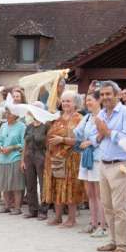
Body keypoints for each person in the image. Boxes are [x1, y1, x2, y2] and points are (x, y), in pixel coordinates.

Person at [94, 81, 126, 252]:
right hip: (104, 164)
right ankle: (113, 241)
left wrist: (107, 132)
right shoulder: (101, 113)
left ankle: (124, 246)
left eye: (108, 94)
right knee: (107, 206)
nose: (105, 97)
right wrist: (99, 135)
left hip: (120, 165)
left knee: (119, 207)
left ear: (117, 95)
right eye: (102, 94)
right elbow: (94, 137)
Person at [42, 91, 83, 228]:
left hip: (70, 159)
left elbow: (80, 141)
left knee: (70, 188)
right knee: (56, 187)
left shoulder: (79, 118)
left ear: (75, 103)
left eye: (68, 101)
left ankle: (71, 219)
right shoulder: (57, 118)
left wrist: (62, 139)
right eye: (64, 101)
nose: (65, 103)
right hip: (54, 158)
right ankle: (58, 217)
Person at [75, 91, 106, 234]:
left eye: (90, 100)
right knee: (90, 193)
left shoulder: (104, 116)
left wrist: (90, 141)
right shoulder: (87, 117)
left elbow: (104, 134)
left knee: (100, 194)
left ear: (98, 101)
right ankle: (93, 222)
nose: (87, 103)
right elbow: (77, 132)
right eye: (86, 100)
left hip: (98, 157)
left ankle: (102, 225)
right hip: (86, 157)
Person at [21, 102, 49, 220]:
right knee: (30, 183)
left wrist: (48, 159)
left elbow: (49, 144)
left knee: (43, 184)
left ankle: (43, 211)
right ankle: (32, 210)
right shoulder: (29, 126)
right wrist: (22, 160)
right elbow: (25, 144)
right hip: (29, 156)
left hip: (41, 156)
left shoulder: (46, 125)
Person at [0, 108, 26, 215]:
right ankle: (6, 206)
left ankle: (17, 208)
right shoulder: (3, 126)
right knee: (5, 184)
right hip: (3, 158)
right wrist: (1, 147)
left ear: (16, 115)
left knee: (16, 185)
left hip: (15, 158)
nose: (7, 115)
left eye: (10, 113)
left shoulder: (22, 126)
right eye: (6, 113)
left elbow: (24, 144)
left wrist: (12, 147)